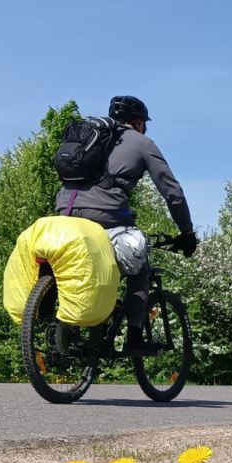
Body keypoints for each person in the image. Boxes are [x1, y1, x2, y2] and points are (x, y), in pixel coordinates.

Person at [55, 96, 197, 355]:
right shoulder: (143, 143)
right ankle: (134, 337)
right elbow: (172, 193)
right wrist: (187, 233)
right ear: (139, 122)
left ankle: (76, 323)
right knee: (139, 268)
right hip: (106, 216)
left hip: (64, 213)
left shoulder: (91, 137)